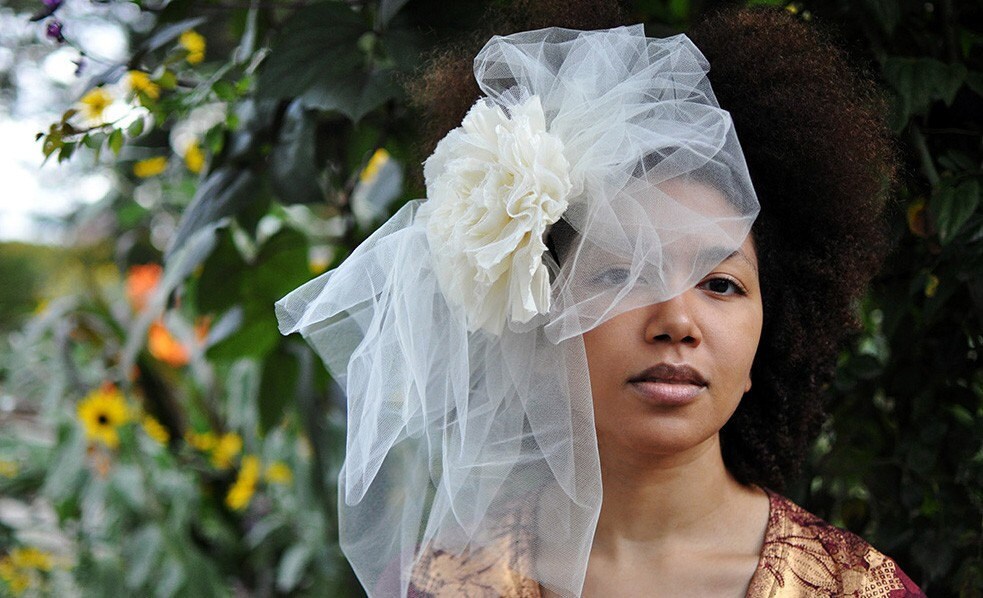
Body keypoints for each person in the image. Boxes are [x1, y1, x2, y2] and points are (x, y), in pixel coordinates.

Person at [277, 4, 924, 597]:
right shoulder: (441, 586)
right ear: (537, 311)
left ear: (772, 330)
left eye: (720, 284)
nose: (676, 321)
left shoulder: (856, 588)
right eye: (620, 276)